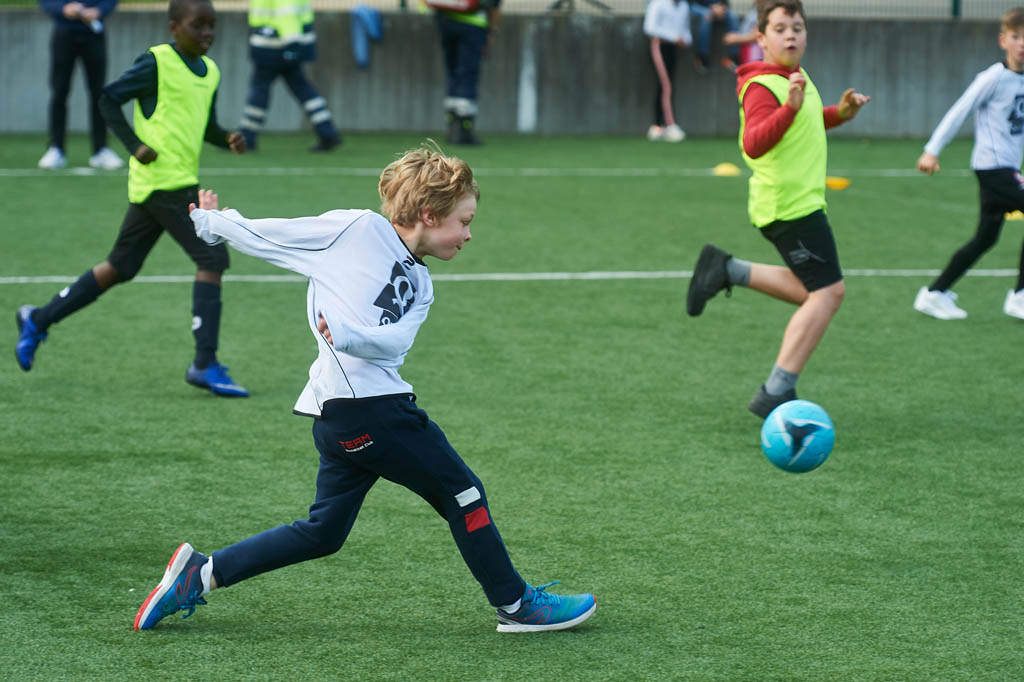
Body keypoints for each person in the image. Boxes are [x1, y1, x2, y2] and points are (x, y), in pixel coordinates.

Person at [132, 144, 597, 633]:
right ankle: (516, 605)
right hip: (370, 412)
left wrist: (350, 334)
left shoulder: (422, 284)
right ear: (429, 214)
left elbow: (395, 342)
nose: (468, 234)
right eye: (464, 221)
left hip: (347, 418)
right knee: (464, 494)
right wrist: (212, 223)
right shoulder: (357, 229)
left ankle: (201, 574)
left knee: (323, 533)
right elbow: (275, 236)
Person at [15, 0, 250, 398]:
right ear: (174, 27)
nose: (207, 33)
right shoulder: (157, 62)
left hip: (175, 184)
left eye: (212, 25)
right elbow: (108, 99)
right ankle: (204, 363)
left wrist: (226, 138)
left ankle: (38, 318)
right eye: (198, 25)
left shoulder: (210, 71)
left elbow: (204, 125)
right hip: (163, 184)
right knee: (212, 258)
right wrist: (135, 146)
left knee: (120, 266)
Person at [685, 0, 870, 418]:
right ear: (761, 38)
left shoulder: (794, 76)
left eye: (797, 28)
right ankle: (776, 390)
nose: (790, 36)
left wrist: (839, 114)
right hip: (790, 207)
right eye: (780, 28)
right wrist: (789, 107)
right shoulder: (761, 85)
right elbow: (753, 142)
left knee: (813, 291)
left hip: (797, 204)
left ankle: (727, 270)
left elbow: (804, 120)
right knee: (829, 293)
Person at [913, 7, 1024, 321]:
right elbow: (959, 111)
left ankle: (934, 293)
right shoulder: (993, 78)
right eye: (1016, 36)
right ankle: (1020, 297)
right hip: (992, 167)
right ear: (1003, 40)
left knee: (985, 238)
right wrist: (932, 150)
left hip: (1009, 168)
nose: (1022, 44)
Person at [238, 0, 341, 152]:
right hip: (284, 46)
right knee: (302, 89)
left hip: (273, 46)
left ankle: (247, 137)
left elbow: (287, 14)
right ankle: (327, 131)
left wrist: (291, 46)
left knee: (260, 91)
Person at [38, 0, 124, 171]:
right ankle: (56, 148)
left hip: (94, 33)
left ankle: (101, 150)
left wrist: (99, 11)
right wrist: (63, 9)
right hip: (64, 32)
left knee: (99, 94)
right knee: (59, 92)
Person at [426, 0, 501, 146]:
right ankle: (464, 129)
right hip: (473, 24)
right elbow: (495, 5)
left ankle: (452, 126)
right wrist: (492, 31)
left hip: (446, 21)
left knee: (453, 73)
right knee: (467, 76)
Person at [643, 0, 691, 142]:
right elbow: (649, 28)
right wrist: (673, 37)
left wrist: (685, 39)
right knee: (666, 86)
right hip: (659, 46)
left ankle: (657, 126)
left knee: (666, 86)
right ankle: (669, 126)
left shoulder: (684, 6)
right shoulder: (658, 4)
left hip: (673, 49)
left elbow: (686, 30)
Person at [690, 0, 740, 72]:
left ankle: (733, 56)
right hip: (697, 6)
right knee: (707, 15)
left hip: (717, 7)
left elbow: (725, 2)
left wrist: (721, 7)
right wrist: (712, 8)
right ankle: (701, 57)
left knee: (733, 17)